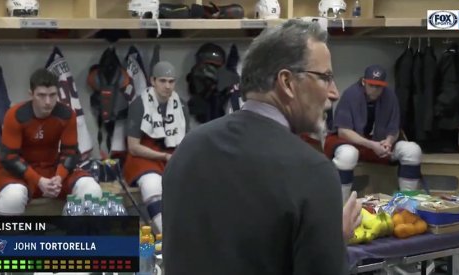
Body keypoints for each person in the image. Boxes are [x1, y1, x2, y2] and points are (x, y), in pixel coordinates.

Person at [162, 19, 361, 275]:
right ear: (287, 83)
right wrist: (333, 242)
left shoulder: (188, 148)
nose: (333, 92)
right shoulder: (313, 172)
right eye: (325, 77)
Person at [0, 69, 102, 215]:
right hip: (18, 172)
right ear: (31, 94)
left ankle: (71, 233)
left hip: (51, 169)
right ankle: (11, 237)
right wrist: (38, 180)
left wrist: (59, 178)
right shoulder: (15, 115)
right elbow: (9, 157)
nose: (48, 102)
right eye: (41, 95)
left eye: (53, 95)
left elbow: (70, 153)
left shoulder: (67, 114)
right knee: (12, 198)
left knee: (92, 189)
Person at [324, 64, 423, 203]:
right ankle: (340, 208)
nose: (376, 90)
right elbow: (343, 131)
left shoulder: (390, 96)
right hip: (354, 141)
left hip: (379, 142)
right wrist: (371, 145)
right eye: (372, 85)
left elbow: (394, 129)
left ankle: (407, 206)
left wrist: (388, 141)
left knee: (413, 150)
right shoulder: (351, 94)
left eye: (379, 86)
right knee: (347, 155)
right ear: (364, 82)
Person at [123, 61, 188, 234]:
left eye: (171, 81)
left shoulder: (181, 105)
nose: (167, 86)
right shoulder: (139, 104)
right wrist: (164, 157)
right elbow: (133, 147)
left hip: (172, 153)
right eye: (163, 81)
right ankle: (165, 236)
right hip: (144, 156)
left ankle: (189, 235)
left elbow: (185, 141)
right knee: (152, 184)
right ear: (153, 80)